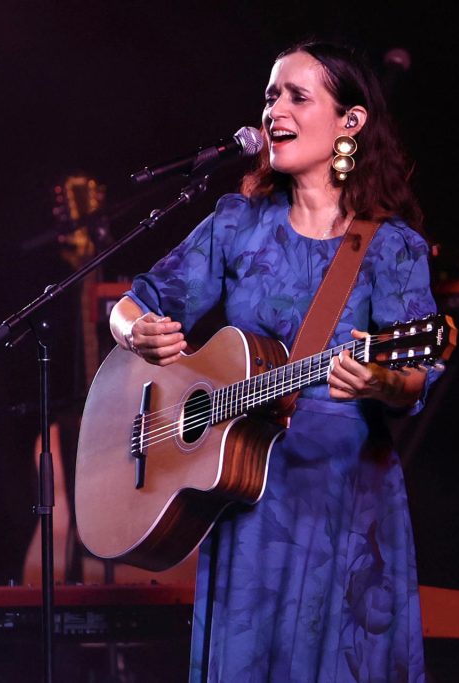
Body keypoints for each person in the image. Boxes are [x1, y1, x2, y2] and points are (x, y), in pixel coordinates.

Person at [109, 40, 441, 683]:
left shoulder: (392, 247)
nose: (274, 110)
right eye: (269, 96)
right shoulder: (237, 223)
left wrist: (379, 378)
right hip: (246, 497)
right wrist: (135, 330)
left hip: (343, 501)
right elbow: (133, 302)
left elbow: (414, 376)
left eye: (297, 96)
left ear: (350, 121)